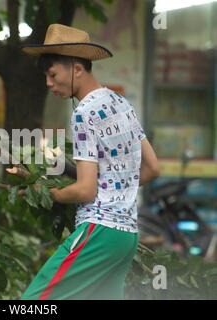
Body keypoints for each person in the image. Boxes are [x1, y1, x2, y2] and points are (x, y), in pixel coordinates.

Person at [20, 24, 160, 300]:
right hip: (127, 236)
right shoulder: (120, 103)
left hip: (98, 231)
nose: (48, 83)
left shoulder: (83, 112)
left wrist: (45, 194)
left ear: (76, 68)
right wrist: (112, 187)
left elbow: (85, 191)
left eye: (52, 74)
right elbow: (152, 168)